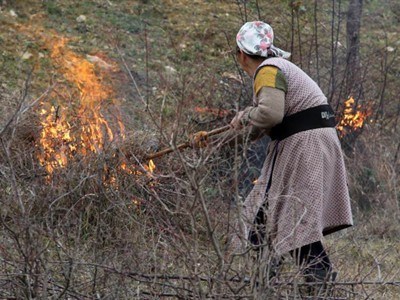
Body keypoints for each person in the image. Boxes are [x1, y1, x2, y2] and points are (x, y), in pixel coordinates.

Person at [226, 21, 353, 292]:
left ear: (241, 53)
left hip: (304, 145)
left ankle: (320, 284)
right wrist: (228, 138)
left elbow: (270, 114)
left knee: (292, 218)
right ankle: (264, 285)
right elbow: (266, 124)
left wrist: (245, 116)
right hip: (309, 142)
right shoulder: (279, 69)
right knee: (268, 216)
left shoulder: (267, 70)